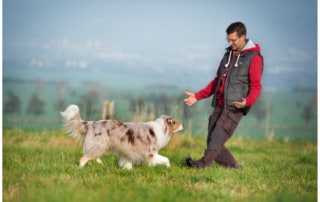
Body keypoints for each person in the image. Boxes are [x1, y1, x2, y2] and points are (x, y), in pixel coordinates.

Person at [184, 22, 263, 169]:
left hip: (235, 107)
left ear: (243, 37)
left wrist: (247, 101)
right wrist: (197, 96)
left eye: (233, 40)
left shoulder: (254, 58)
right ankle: (235, 168)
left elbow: (256, 86)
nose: (230, 43)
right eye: (228, 40)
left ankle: (200, 165)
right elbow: (217, 81)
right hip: (219, 105)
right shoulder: (228, 55)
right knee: (212, 140)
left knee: (216, 139)